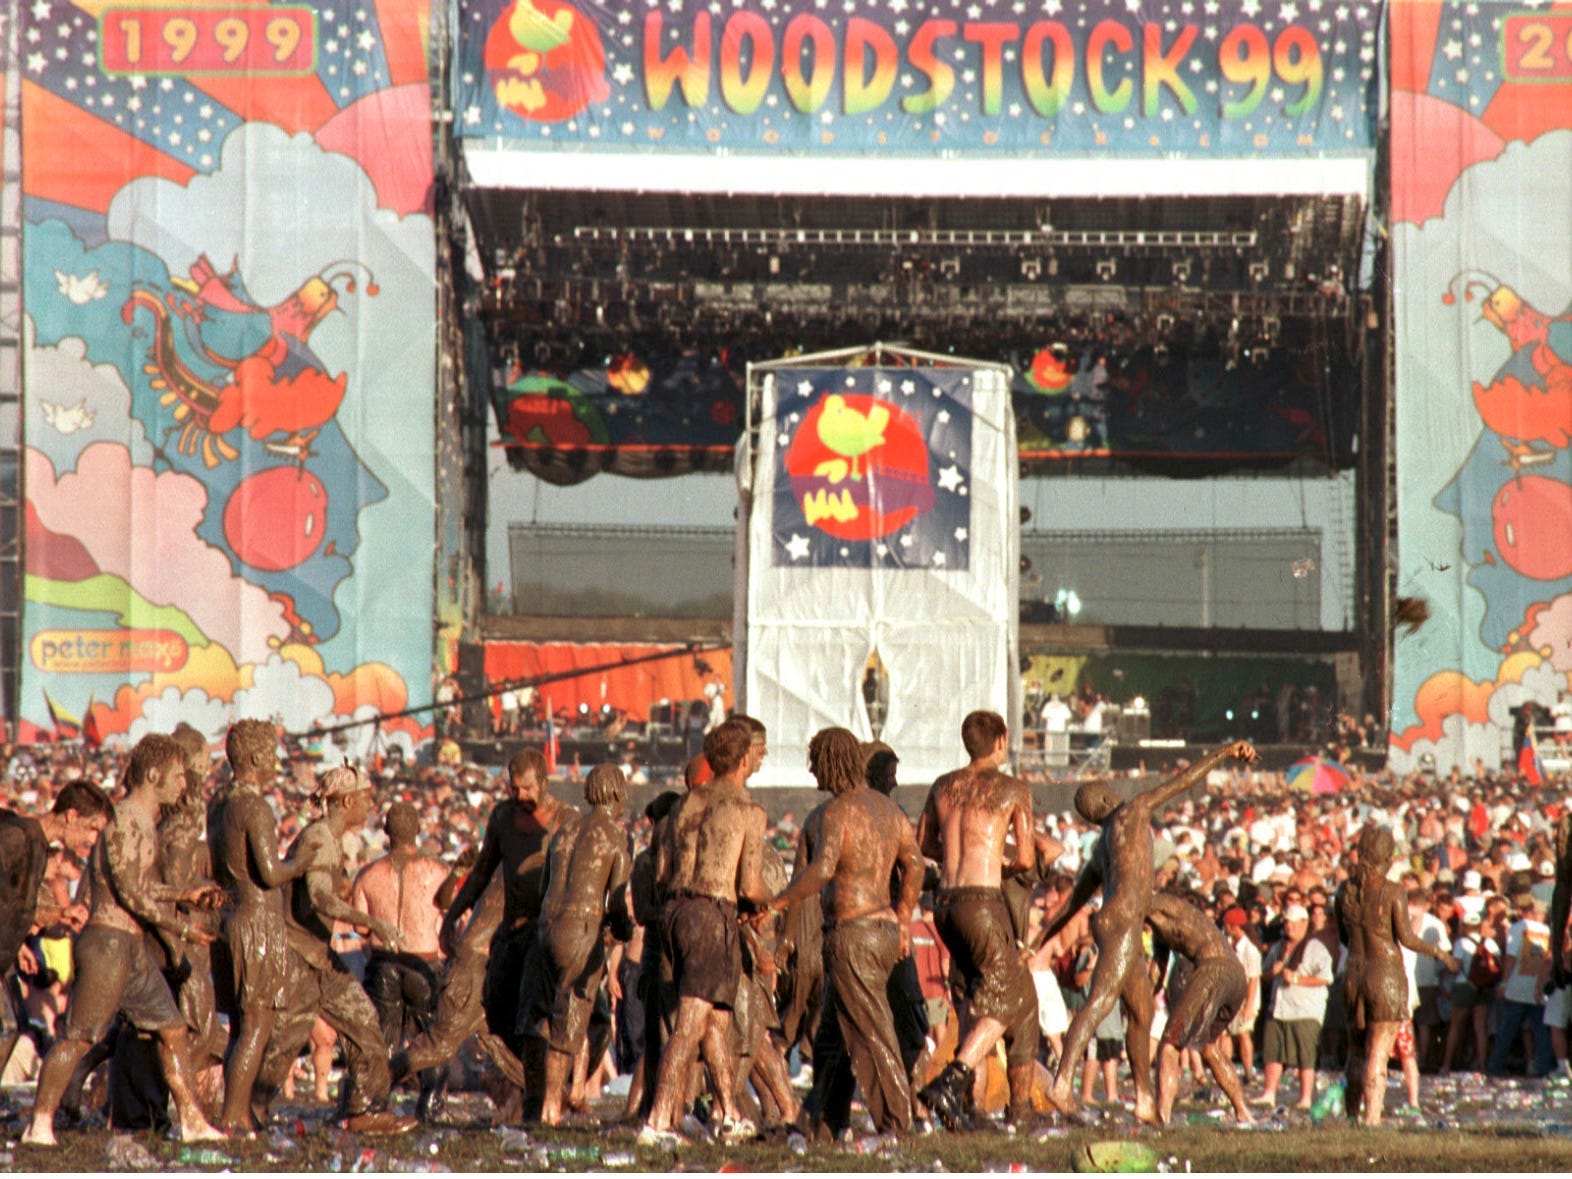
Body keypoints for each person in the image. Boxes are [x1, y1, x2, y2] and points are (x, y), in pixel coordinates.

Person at [1035, 740, 1260, 1123]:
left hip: (1114, 919)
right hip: (1124, 920)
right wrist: (1225, 752)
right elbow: (1183, 780)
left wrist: (1037, 940)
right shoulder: (1133, 811)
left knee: (1140, 1013)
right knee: (1101, 1001)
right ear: (1107, 799)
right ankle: (1062, 1081)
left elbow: (1072, 905)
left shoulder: (1099, 851)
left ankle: (1143, 1099)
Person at [25, 736, 224, 1147]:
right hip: (109, 946)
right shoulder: (127, 819)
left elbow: (142, 886)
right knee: (78, 1037)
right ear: (153, 775)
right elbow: (132, 891)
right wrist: (183, 926)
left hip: (131, 950)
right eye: (177, 777)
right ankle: (38, 1124)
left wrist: (185, 894)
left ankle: (192, 1120)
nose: (182, 786)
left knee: (172, 1030)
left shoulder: (143, 821)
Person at [767, 727, 923, 1138]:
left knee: (872, 1034)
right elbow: (916, 865)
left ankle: (897, 1124)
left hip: (852, 934)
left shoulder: (833, 813)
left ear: (829, 763)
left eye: (815, 761)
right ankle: (821, 1122)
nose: (811, 769)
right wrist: (903, 916)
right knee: (832, 1039)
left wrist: (777, 902)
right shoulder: (889, 811)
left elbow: (820, 871)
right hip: (885, 928)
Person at [252, 766, 413, 1135]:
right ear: (344, 801)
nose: (371, 804)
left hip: (317, 957)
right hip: (299, 958)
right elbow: (320, 897)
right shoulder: (322, 837)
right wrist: (374, 923)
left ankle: (361, 1111)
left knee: (363, 1025)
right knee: (283, 1044)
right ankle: (246, 1112)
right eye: (365, 797)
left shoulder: (329, 837)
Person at [638, 719, 769, 1148]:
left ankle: (730, 1113)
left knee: (715, 1019)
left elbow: (661, 871)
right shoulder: (748, 811)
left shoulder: (685, 804)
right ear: (745, 758)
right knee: (692, 1021)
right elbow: (749, 885)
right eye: (758, 752)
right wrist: (772, 901)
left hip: (674, 912)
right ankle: (658, 1122)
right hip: (711, 915)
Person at [914, 710, 1039, 1131]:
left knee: (972, 999)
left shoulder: (943, 785)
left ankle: (968, 1108)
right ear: (1001, 741)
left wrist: (958, 860)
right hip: (982, 903)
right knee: (1011, 996)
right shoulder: (1013, 789)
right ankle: (952, 1081)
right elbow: (1024, 858)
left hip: (944, 904)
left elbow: (924, 845)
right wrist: (992, 866)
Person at [439, 748, 573, 1120]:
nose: (520, 796)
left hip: (543, 933)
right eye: (514, 789)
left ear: (543, 783)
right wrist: (452, 914)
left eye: (527, 789)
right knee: (497, 1013)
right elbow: (482, 872)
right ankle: (526, 1093)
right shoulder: (502, 817)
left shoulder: (566, 821)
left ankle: (535, 1104)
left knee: (531, 1019)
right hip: (510, 932)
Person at [208, 718, 309, 1133]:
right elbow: (269, 872)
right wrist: (304, 859)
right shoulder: (254, 806)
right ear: (252, 758)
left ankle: (236, 1111)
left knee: (240, 1027)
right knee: (258, 1024)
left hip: (229, 918)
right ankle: (234, 1115)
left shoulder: (218, 806)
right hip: (256, 922)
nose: (276, 761)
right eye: (270, 753)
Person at [529, 763, 632, 1126]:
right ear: (617, 794)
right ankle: (551, 1109)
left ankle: (557, 1097)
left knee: (559, 1014)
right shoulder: (615, 835)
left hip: (547, 925)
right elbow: (617, 901)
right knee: (570, 1017)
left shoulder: (565, 830)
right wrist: (624, 930)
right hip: (580, 929)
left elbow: (543, 888)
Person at [1336, 826, 1458, 1125]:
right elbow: (1406, 938)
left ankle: (1352, 1116)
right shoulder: (1393, 891)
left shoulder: (1344, 891)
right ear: (1387, 858)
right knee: (1378, 1049)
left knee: (1354, 1051)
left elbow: (1343, 936)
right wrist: (1439, 953)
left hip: (1354, 971)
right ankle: (1371, 1119)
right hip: (1386, 974)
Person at [0, 781, 111, 1081]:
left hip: (6, 958)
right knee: (9, 1029)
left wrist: (57, 915)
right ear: (72, 816)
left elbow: (15, 905)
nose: (93, 838)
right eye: (92, 828)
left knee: (14, 1028)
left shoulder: (35, 843)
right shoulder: (19, 838)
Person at [353, 800, 452, 1120]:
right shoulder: (437, 871)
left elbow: (358, 925)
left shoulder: (368, 874)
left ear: (386, 833)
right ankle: (431, 1107)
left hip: (383, 964)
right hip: (424, 964)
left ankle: (375, 1104)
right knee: (433, 1038)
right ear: (418, 831)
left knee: (382, 1040)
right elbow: (449, 910)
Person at [1145, 892, 1253, 1125]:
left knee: (1170, 1044)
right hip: (1235, 976)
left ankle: (1162, 1116)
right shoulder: (1161, 931)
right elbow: (1156, 973)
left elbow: (1134, 907)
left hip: (1214, 969)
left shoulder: (1166, 903)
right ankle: (1243, 1112)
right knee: (1208, 1047)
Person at [1257, 904, 1333, 1110]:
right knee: (1273, 1052)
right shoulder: (1278, 947)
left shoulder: (1315, 947)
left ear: (1304, 923)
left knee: (1305, 1055)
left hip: (1305, 1009)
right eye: (1287, 922)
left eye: (1294, 922)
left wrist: (1297, 979)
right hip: (1279, 1006)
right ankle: (1269, 1093)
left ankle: (1305, 1097)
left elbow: (1326, 978)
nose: (1289, 926)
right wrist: (1272, 973)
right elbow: (1263, 974)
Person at [1222, 905, 1262, 1083]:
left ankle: (1248, 1071)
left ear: (1233, 926)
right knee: (1226, 1033)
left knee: (1243, 1033)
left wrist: (1249, 1006)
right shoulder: (1229, 945)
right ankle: (1226, 1069)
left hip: (1247, 997)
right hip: (1230, 995)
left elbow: (1253, 980)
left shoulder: (1250, 950)